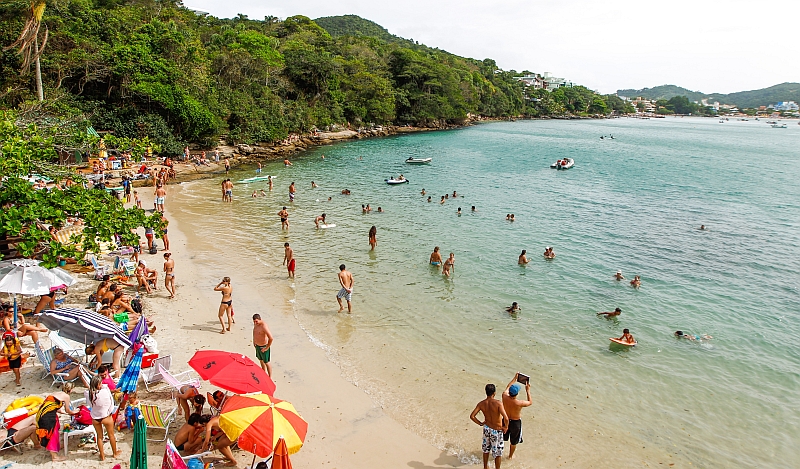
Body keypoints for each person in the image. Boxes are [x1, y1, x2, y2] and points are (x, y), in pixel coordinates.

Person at [35, 384, 79, 461]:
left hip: (41, 414)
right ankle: (54, 456)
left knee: (53, 430)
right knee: (52, 434)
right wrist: (73, 412)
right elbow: (68, 410)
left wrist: (62, 412)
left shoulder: (55, 393)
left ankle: (56, 446)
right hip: (48, 417)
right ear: (71, 390)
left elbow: (52, 405)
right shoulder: (66, 396)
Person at [470, 383, 509, 469]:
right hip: (497, 430)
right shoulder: (498, 403)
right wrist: (506, 427)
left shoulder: (481, 403)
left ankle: (485, 467)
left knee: (486, 450)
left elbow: (472, 416)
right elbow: (506, 418)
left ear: (486, 392)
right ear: (494, 393)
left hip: (487, 428)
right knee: (498, 453)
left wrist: (480, 423)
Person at [89, 374, 120, 461]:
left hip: (95, 417)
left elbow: (90, 405)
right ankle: (114, 453)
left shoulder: (89, 394)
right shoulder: (105, 391)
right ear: (98, 384)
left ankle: (102, 456)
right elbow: (111, 403)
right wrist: (108, 412)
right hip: (105, 416)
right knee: (111, 435)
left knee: (99, 436)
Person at [502, 374, 532, 459]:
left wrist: (515, 378)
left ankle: (498, 451)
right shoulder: (519, 403)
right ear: (517, 393)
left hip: (505, 420)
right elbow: (530, 402)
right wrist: (528, 390)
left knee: (502, 437)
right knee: (513, 442)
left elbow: (508, 386)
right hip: (515, 423)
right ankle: (510, 456)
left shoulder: (504, 396)